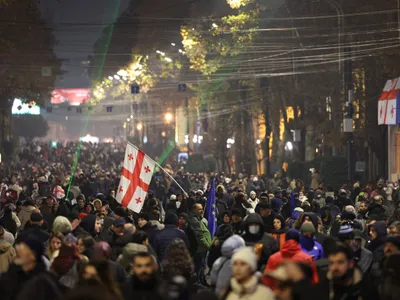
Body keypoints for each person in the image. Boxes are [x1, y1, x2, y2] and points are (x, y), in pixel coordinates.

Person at [188, 203, 212, 274]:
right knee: (199, 268)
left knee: (201, 267)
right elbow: (199, 236)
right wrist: (207, 245)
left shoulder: (198, 218)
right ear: (194, 210)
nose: (202, 211)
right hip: (200, 249)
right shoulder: (195, 220)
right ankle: (199, 281)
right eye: (199, 209)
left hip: (202, 248)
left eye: (202, 209)